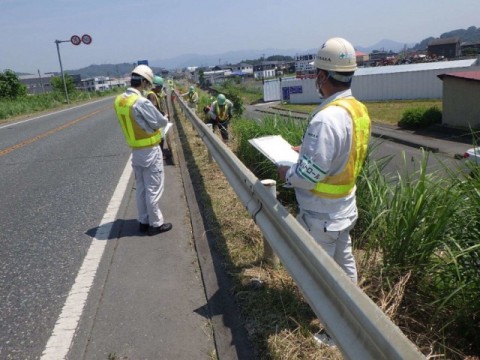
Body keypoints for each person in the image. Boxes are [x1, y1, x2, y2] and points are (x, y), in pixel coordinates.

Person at [277, 37, 371, 344]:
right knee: (344, 268)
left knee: (321, 277)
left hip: (322, 214)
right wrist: (305, 149)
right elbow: (341, 152)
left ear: (321, 76)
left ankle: (334, 334)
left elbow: (307, 175)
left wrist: (286, 172)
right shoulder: (356, 109)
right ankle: (355, 319)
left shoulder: (325, 118)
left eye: (316, 73)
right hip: (344, 209)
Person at [114, 65, 173, 236]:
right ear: (143, 82)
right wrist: (162, 120)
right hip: (150, 150)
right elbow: (161, 122)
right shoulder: (141, 101)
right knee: (153, 187)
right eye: (147, 83)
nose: (148, 86)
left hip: (136, 150)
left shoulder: (119, 100)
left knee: (141, 188)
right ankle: (155, 224)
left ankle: (143, 221)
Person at [146, 75, 171, 159]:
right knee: (159, 138)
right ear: (157, 86)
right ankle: (160, 154)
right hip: (156, 121)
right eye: (160, 87)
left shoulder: (155, 94)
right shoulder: (152, 95)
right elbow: (154, 109)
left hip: (157, 120)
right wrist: (163, 116)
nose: (160, 89)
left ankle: (160, 153)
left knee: (161, 137)